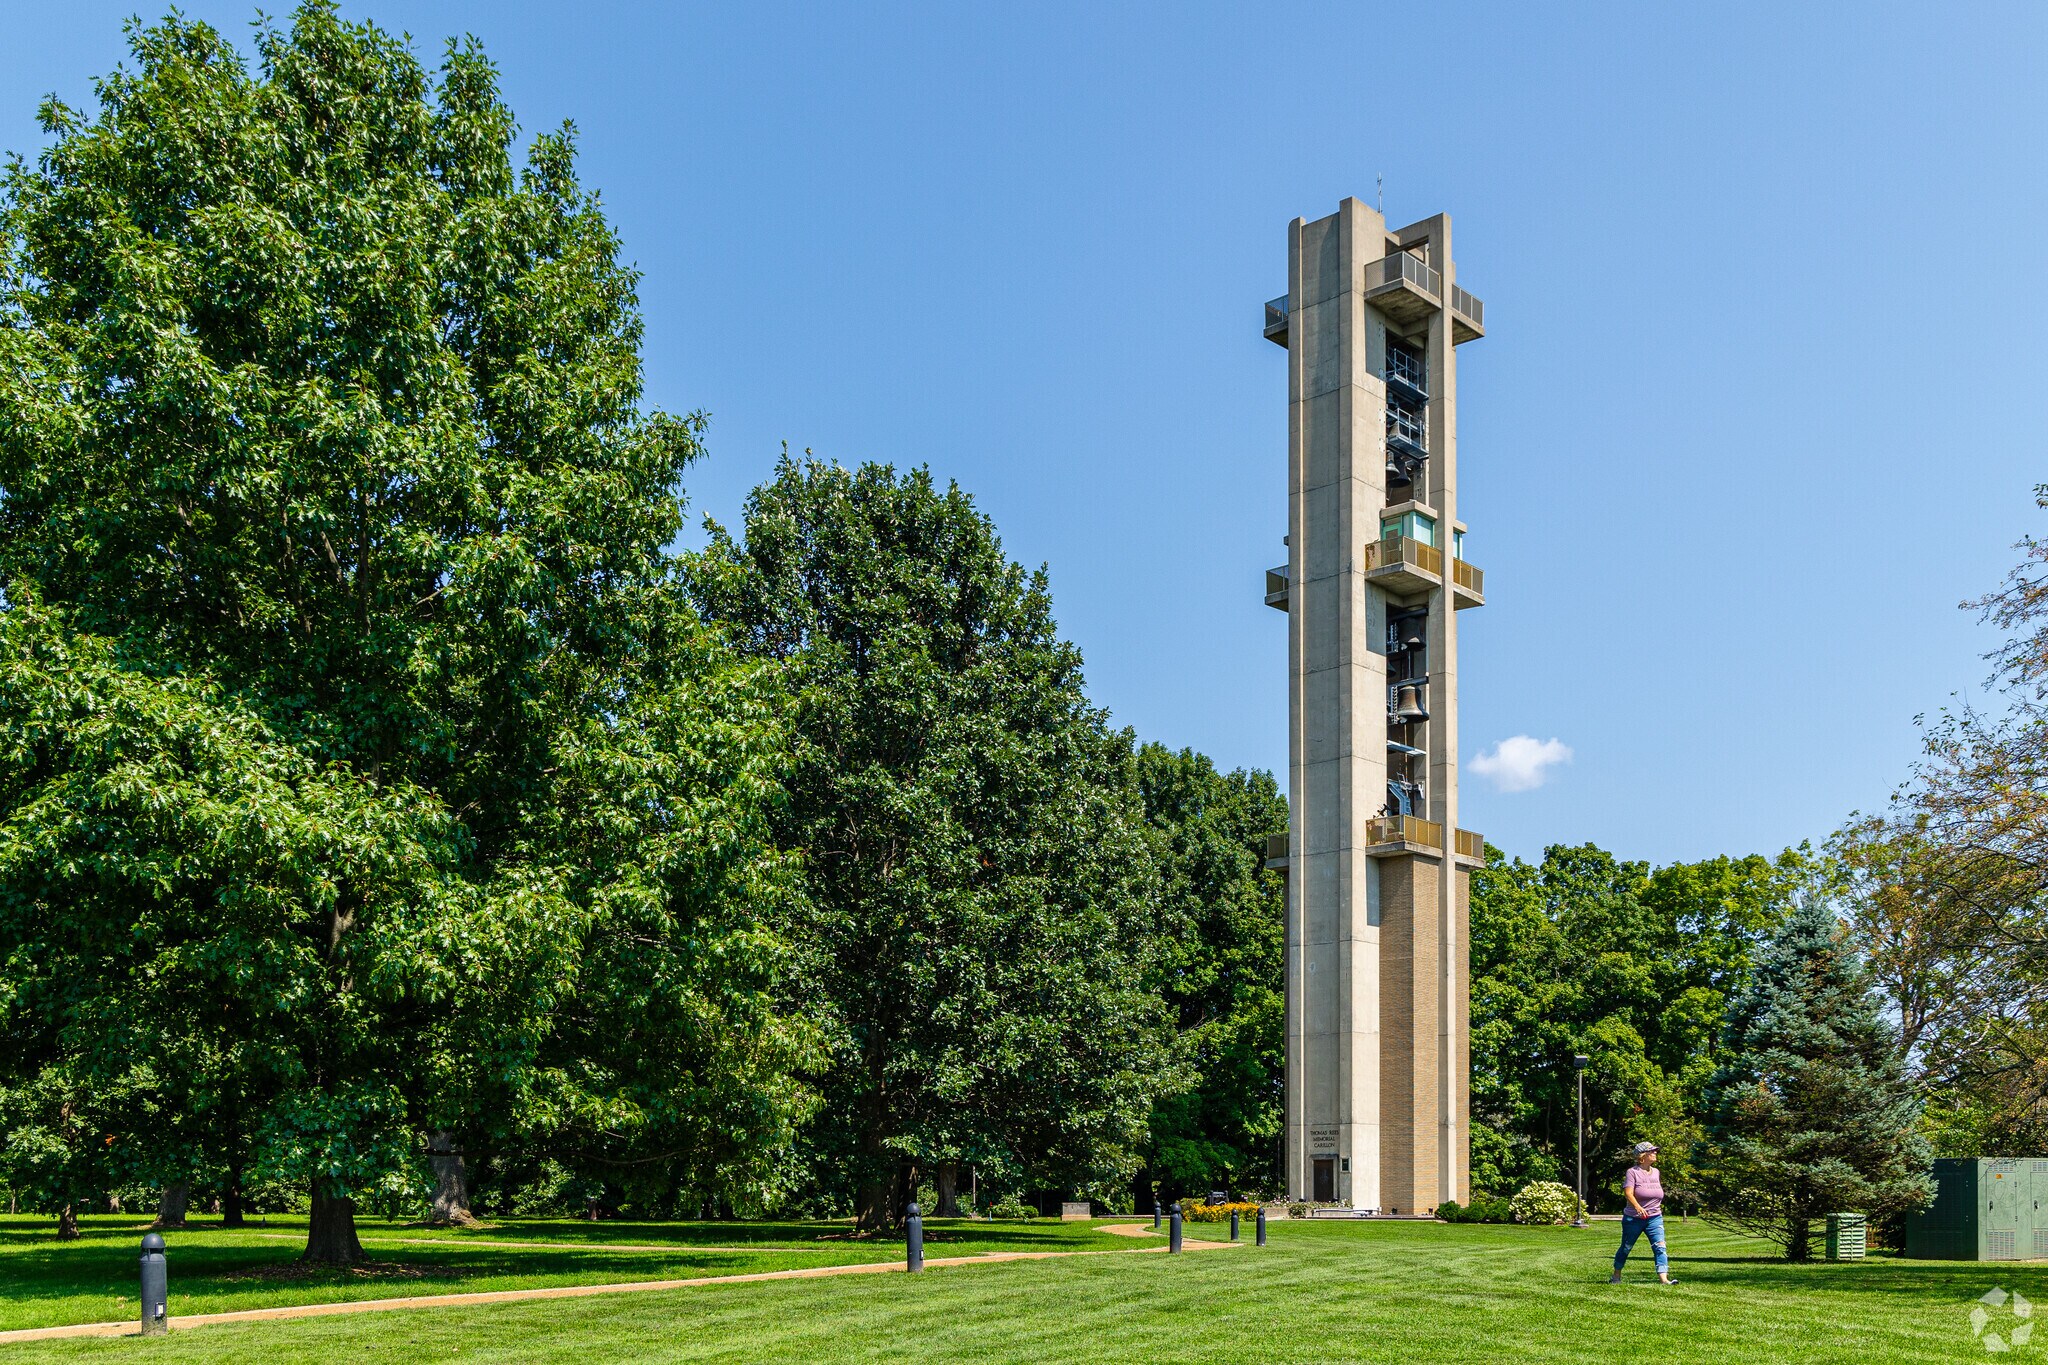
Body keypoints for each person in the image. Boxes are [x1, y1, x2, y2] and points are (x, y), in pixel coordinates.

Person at [1610, 1141, 1676, 1285]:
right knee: (1626, 1247)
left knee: (1660, 1246)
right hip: (1634, 1218)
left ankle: (1664, 1279)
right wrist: (1638, 1207)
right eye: (1652, 1151)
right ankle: (1616, 1276)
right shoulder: (1632, 1172)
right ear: (1642, 1155)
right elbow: (1628, 1193)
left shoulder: (1656, 1172)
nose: (1655, 1153)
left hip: (1655, 1217)